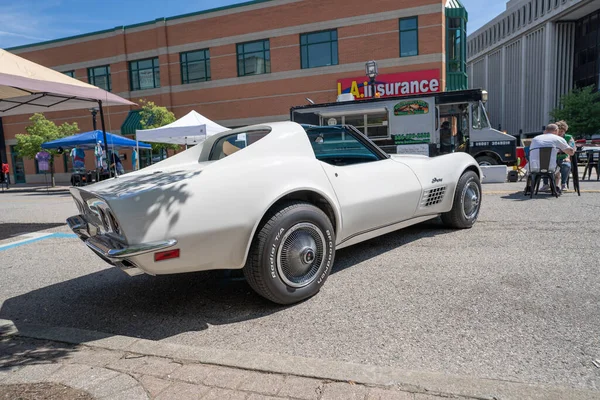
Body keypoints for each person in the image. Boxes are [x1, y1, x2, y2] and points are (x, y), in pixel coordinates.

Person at [529, 124, 575, 194]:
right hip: (550, 167)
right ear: (556, 130)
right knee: (557, 169)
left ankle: (531, 187)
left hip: (533, 167)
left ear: (545, 131)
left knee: (553, 164)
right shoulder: (558, 138)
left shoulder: (535, 138)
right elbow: (571, 153)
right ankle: (555, 187)